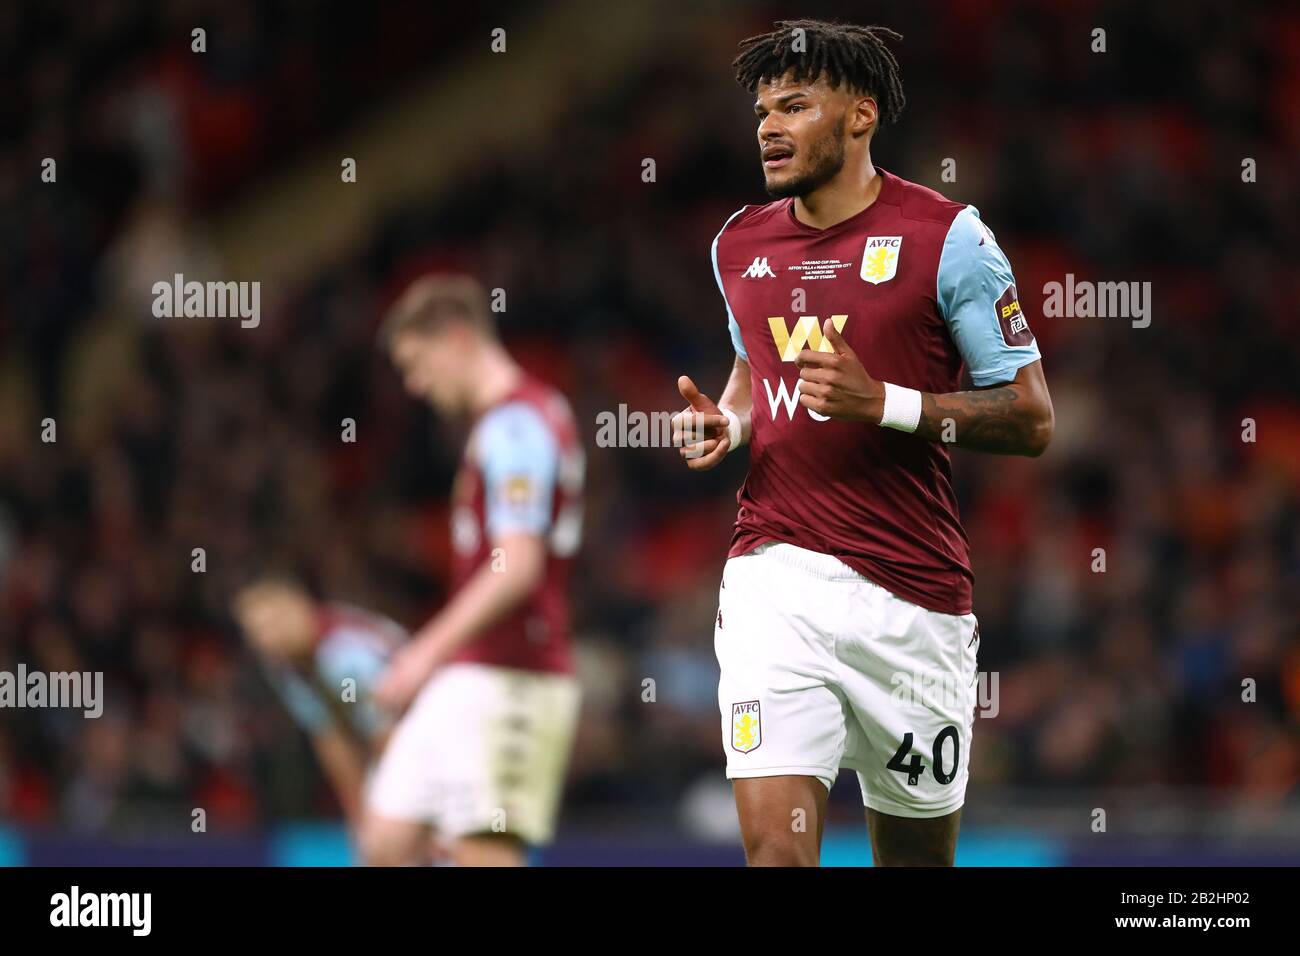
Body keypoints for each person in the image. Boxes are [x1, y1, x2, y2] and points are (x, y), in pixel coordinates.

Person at [672, 19, 1054, 866]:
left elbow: (1031, 419)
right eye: (763, 109)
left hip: (913, 600)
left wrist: (888, 403)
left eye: (796, 105)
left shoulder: (951, 240)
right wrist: (730, 422)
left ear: (860, 115)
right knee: (777, 855)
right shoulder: (739, 244)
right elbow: (754, 369)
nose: (769, 126)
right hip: (777, 575)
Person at [364, 273, 584, 867]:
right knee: (386, 839)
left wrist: (420, 655)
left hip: (516, 675)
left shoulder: (518, 426)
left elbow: (517, 567)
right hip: (472, 672)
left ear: (457, 339)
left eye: (416, 364)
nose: (415, 385)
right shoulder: (501, 425)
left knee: (482, 854)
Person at [233, 578, 406, 837]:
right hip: (392, 740)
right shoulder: (283, 665)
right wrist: (360, 824)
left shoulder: (345, 650)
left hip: (429, 730)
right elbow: (330, 739)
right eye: (256, 632)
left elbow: (389, 735)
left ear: (297, 610)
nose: (265, 639)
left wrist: (396, 814)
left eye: (272, 625)